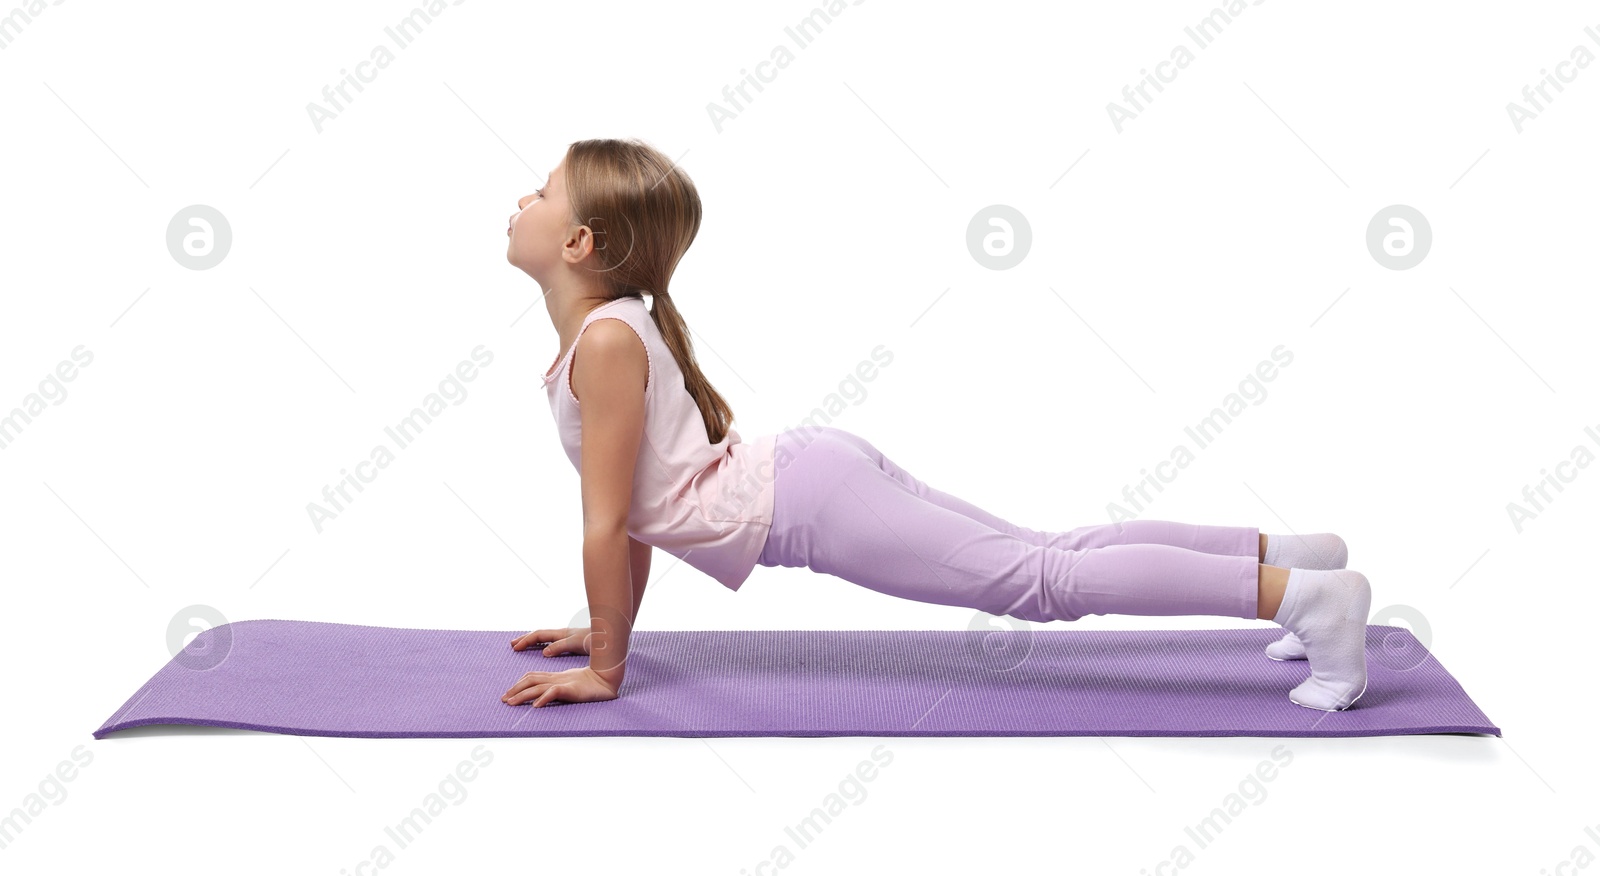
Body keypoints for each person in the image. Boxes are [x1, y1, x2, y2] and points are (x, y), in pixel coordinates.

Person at [499, 137, 1371, 714]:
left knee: (1039, 582)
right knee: (1049, 551)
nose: (520, 199)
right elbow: (638, 519)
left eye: (539, 192)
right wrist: (606, 629)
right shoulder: (608, 330)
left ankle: (1306, 601)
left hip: (807, 501)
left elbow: (611, 522)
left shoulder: (606, 342)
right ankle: (1286, 558)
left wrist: (606, 671)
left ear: (578, 242)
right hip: (809, 476)